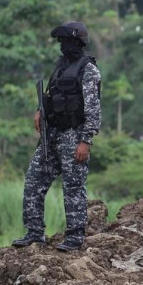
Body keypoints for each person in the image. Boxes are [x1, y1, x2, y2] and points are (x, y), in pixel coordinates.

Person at [12, 21, 102, 252]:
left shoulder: (88, 70)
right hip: (51, 136)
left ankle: (74, 237)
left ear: (78, 42)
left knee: (73, 188)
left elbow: (93, 110)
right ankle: (34, 234)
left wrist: (85, 141)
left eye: (66, 41)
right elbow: (52, 94)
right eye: (61, 41)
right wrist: (40, 110)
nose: (63, 46)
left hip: (74, 136)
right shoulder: (61, 65)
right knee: (33, 182)